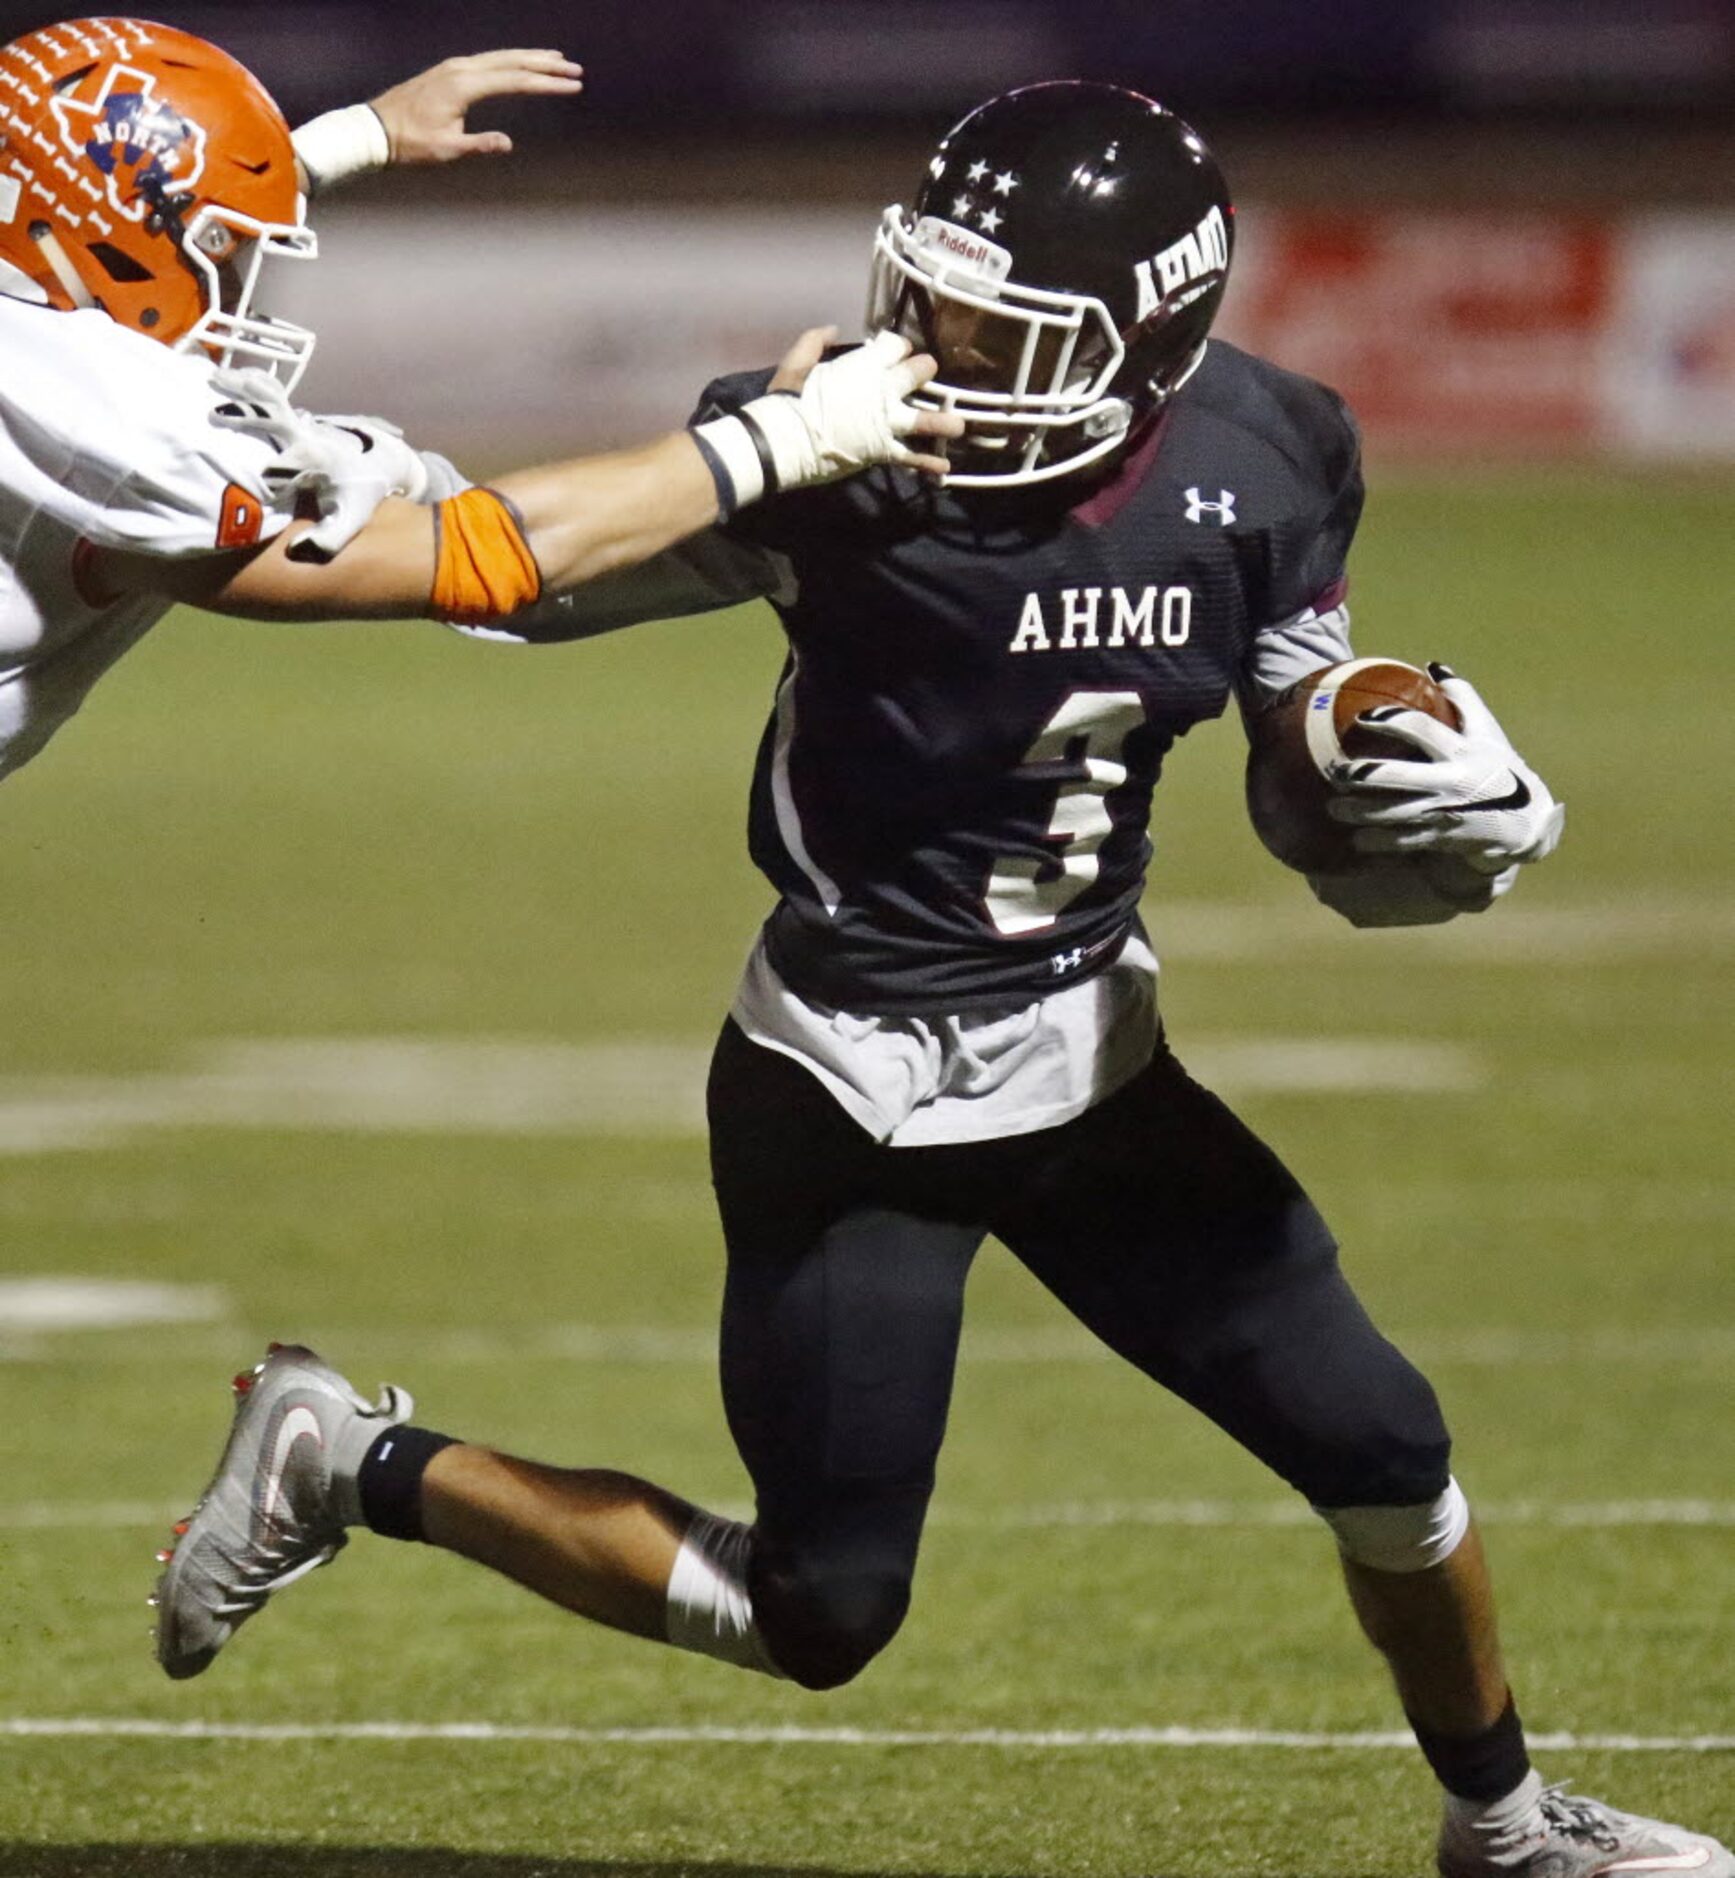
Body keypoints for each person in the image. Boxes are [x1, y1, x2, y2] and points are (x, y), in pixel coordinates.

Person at [153, 83, 1731, 1878]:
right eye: (931, 301)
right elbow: (524, 579)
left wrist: (1399, 730)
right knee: (822, 1610)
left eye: (1003, 328)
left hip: (1096, 1060)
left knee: (1392, 1450)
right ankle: (346, 1458)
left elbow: (1301, 741)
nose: (941, 351)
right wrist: (367, 497)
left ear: (1148, 342)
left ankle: (1509, 1824)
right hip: (850, 1090)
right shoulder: (843, 452)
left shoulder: (1276, 448)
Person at [0, 18, 958, 784]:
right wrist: (780, 443)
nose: (237, 272)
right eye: (224, 246)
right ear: (83, 239)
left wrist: (338, 142)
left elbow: (86, 207)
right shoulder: (113, 422)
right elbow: (475, 562)